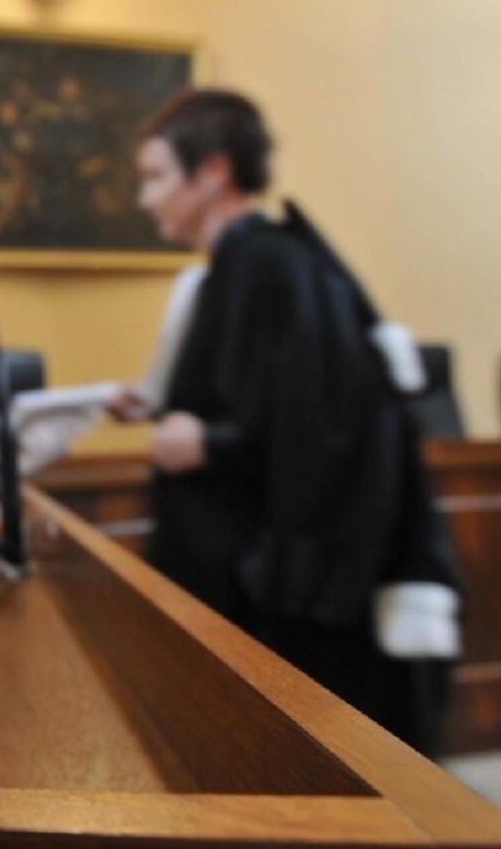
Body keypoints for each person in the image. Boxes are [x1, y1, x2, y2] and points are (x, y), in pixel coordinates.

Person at [115, 88, 460, 754]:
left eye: (156, 176)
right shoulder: (241, 267)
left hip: (282, 610)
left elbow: (324, 427)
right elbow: (261, 397)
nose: (145, 198)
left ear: (213, 173)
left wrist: (205, 442)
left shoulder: (269, 264)